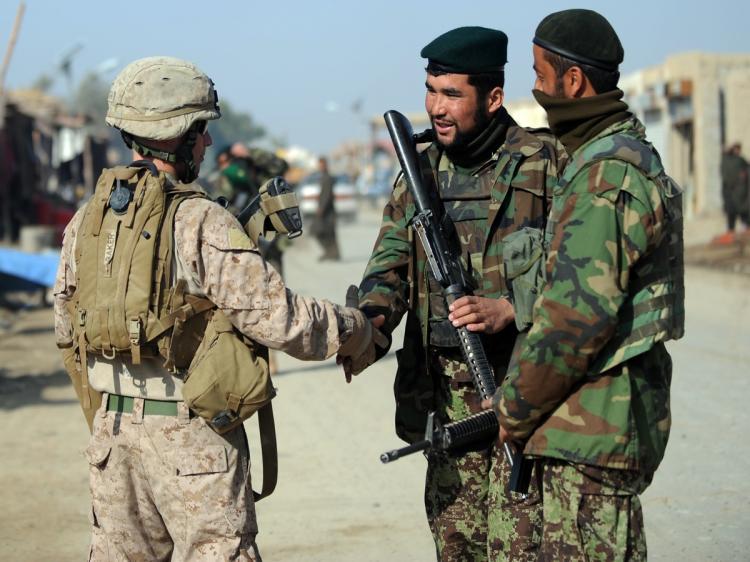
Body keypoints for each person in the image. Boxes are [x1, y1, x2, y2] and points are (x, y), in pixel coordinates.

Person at [53, 56, 380, 561]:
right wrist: (353, 329)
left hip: (111, 440)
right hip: (191, 441)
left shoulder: (83, 223)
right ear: (177, 134)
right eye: (201, 130)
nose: (207, 143)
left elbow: (65, 332)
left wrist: (111, 414)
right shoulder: (200, 219)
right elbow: (279, 318)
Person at [350, 27, 565, 561]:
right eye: (430, 90)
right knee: (457, 547)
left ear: (493, 98)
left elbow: (586, 277)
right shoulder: (418, 173)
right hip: (445, 404)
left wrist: (513, 308)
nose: (435, 108)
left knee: (522, 546)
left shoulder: (546, 164)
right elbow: (389, 267)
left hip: (524, 391)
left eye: (451, 94)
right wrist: (369, 323)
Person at [490, 10, 685, 561]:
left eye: (539, 73)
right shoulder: (602, 158)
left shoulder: (605, 174)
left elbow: (576, 320)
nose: (534, 86)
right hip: (588, 428)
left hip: (593, 433)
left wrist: (515, 406)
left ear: (572, 82)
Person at [717, 142, 749, 243]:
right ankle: (731, 231)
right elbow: (726, 176)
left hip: (739, 192)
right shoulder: (727, 161)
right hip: (731, 192)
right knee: (732, 212)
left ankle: (744, 228)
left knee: (743, 211)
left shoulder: (739, 160)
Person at [313, 156, 340, 261]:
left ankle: (332, 253)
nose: (320, 166)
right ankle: (331, 253)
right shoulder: (323, 177)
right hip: (326, 210)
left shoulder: (327, 177)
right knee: (327, 232)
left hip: (327, 211)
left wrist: (321, 208)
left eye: (322, 164)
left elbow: (327, 195)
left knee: (322, 231)